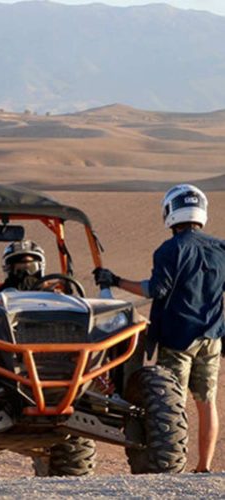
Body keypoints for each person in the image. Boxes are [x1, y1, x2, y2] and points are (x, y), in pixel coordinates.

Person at [94, 184, 224, 473]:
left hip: (178, 339)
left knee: (171, 403)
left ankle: (171, 466)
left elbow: (155, 289)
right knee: (207, 402)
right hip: (211, 337)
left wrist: (115, 280)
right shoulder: (221, 248)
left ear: (171, 212)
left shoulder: (170, 249)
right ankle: (203, 466)